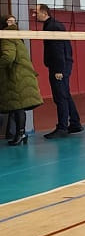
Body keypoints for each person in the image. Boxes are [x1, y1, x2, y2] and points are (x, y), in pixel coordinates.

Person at [36, 4, 82, 139]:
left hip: (60, 66)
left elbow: (58, 49)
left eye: (36, 12)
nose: (34, 15)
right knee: (65, 94)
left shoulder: (53, 26)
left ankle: (62, 127)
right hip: (62, 64)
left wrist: (58, 69)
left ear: (44, 13)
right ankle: (75, 123)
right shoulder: (51, 25)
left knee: (60, 96)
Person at [1, 15, 43, 146]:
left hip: (16, 77)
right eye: (10, 21)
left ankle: (20, 134)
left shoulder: (7, 36)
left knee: (18, 106)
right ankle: (21, 133)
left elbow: (8, 57)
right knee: (19, 107)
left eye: (13, 21)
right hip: (23, 75)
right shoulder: (18, 35)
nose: (12, 23)